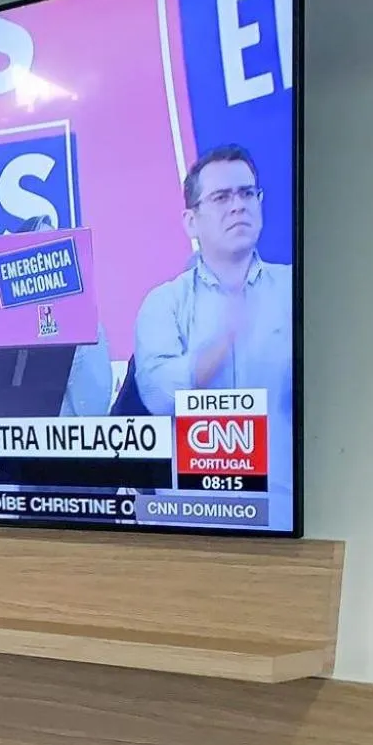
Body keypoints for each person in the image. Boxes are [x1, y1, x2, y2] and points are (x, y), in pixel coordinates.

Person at [132, 144, 294, 528]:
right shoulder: (165, 302)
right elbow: (157, 395)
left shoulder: (296, 290)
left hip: (285, 513)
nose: (238, 206)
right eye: (221, 197)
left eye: (247, 193)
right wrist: (222, 342)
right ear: (191, 221)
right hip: (192, 517)